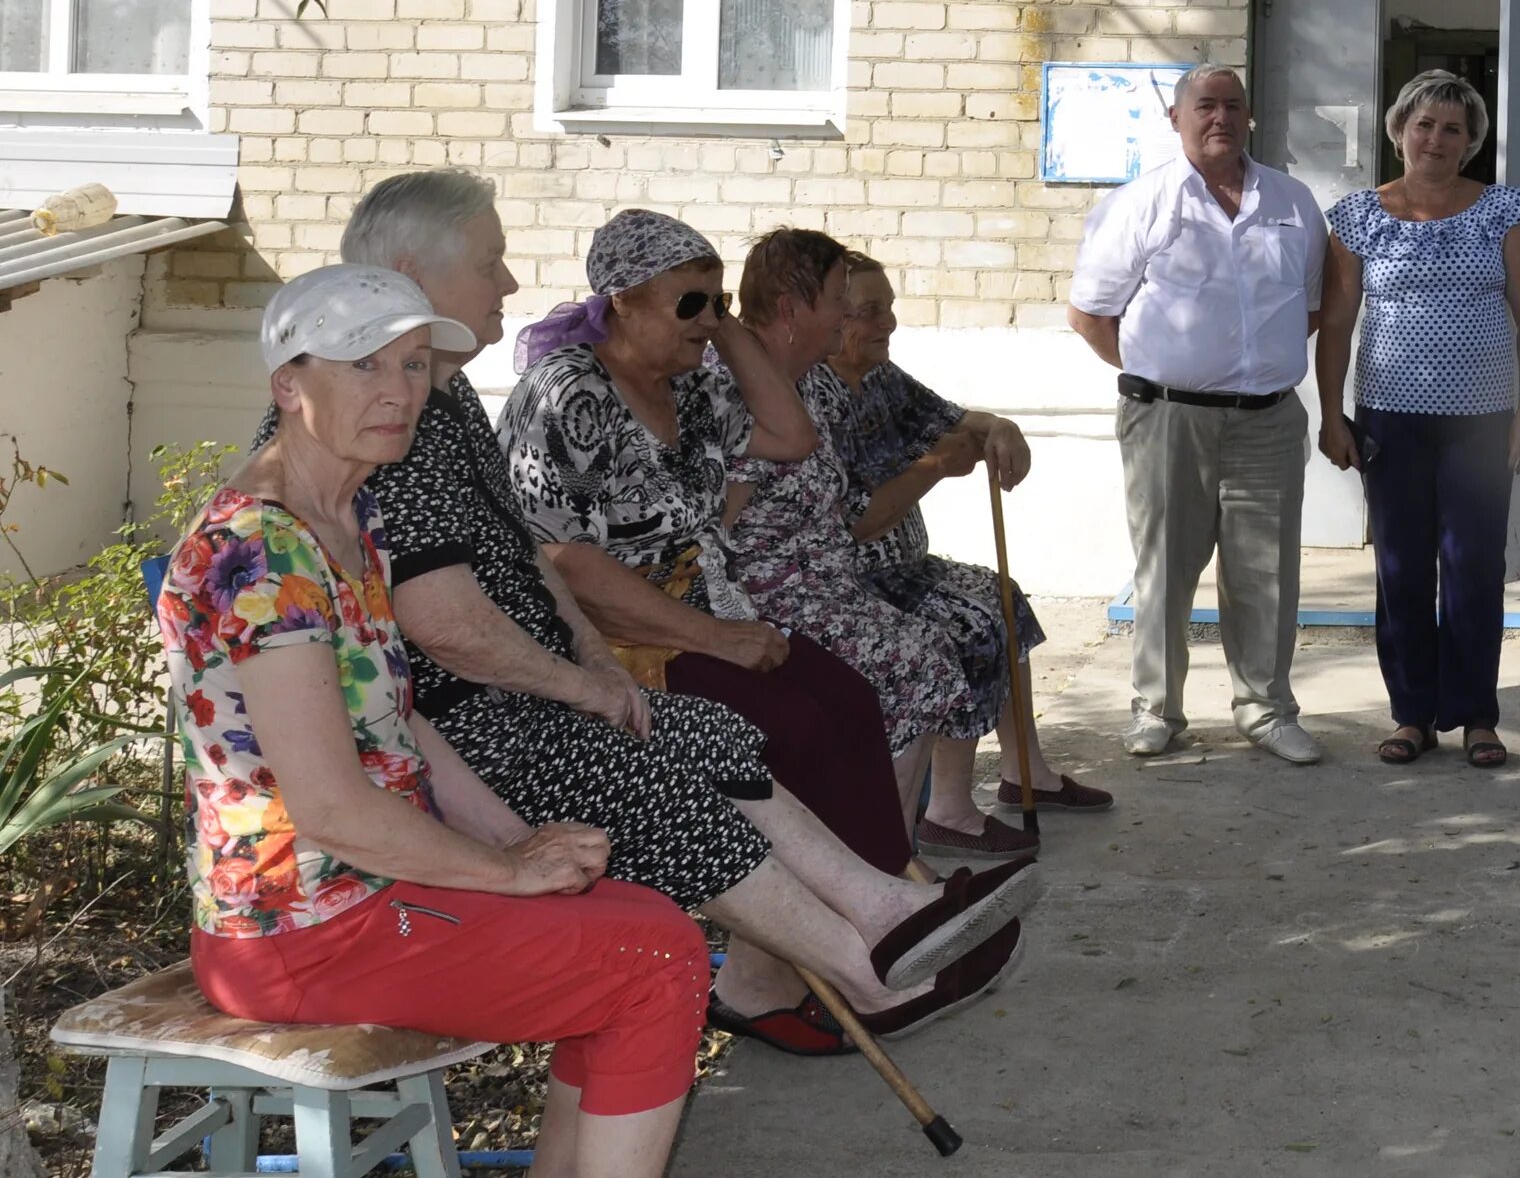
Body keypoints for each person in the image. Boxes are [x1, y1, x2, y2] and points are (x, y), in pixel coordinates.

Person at [326, 174, 1031, 1056]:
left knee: (721, 734)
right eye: (492, 261)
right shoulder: (395, 406)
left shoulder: (444, 392)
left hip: (535, 680)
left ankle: (886, 908)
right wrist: (586, 683)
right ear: (406, 272)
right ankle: (864, 969)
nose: (510, 282)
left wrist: (593, 666)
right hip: (474, 717)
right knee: (672, 781)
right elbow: (450, 625)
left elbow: (530, 562)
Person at [162, 264, 704, 1178]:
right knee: (656, 958)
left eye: (414, 365)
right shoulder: (260, 550)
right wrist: (505, 872)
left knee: (640, 919)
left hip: (365, 895)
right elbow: (331, 808)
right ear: (287, 385)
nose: (397, 390)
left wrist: (520, 842)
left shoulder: (345, 513)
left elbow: (398, 723)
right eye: (363, 363)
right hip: (297, 929)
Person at [496, 211, 918, 886]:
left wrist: (720, 324)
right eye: (688, 302)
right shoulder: (569, 392)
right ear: (623, 304)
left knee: (849, 699)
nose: (707, 319)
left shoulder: (690, 389)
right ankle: (850, 912)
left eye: (717, 299)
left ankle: (890, 885)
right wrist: (716, 638)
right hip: (617, 636)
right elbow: (564, 559)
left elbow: (791, 434)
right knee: (792, 725)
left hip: (705, 612)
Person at [727, 228, 1043, 860]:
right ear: (791, 308)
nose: (854, 316)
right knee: (923, 657)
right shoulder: (738, 384)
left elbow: (950, 420)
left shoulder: (813, 379)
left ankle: (891, 853)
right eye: (843, 300)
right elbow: (718, 522)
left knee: (944, 644)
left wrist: (995, 429)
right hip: (775, 592)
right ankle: (884, 856)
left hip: (824, 583)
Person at [1066, 62, 1330, 764]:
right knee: (1164, 568)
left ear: (1250, 116)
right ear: (1176, 117)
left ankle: (1266, 710)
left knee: (1267, 573)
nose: (1220, 118)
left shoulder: (1294, 202)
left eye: (1233, 106)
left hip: (1266, 420)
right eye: (1205, 105)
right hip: (1167, 419)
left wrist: (1245, 366)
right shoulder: (1141, 202)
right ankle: (1157, 710)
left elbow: (1304, 310)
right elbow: (1090, 313)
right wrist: (1160, 373)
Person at [1314, 71, 1520, 770]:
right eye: (1424, 125)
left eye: (1453, 128)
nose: (1436, 139)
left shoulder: (1503, 211)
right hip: (1390, 421)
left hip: (1482, 423)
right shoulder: (1358, 214)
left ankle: (1476, 714)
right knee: (1401, 569)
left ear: (1471, 141)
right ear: (1399, 130)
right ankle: (1413, 714)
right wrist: (1331, 415)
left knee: (1475, 568)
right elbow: (1335, 323)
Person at [830, 251, 1112, 815]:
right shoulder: (811, 393)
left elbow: (956, 418)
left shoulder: (879, 378)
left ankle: (1025, 773)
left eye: (888, 308)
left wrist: (1000, 427)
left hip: (907, 566)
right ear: (829, 317)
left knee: (1002, 598)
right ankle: (950, 811)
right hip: (852, 579)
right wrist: (933, 467)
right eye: (870, 311)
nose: (887, 323)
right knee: (967, 623)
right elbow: (857, 523)